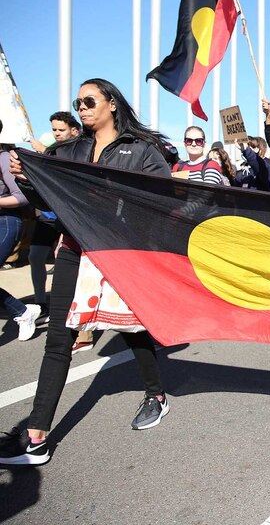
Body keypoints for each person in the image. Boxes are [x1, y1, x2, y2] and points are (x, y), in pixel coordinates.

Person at [0, 78, 174, 466]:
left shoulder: (141, 151)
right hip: (74, 250)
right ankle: (36, 437)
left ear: (111, 104)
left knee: (132, 331)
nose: (81, 107)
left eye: (89, 100)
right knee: (58, 341)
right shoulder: (70, 150)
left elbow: (164, 202)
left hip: (118, 255)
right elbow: (46, 202)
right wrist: (29, 179)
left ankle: (156, 395)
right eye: (77, 102)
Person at [29, 112, 81, 329]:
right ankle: (41, 302)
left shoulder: (80, 152)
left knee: (66, 264)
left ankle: (74, 314)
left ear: (74, 131)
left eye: (61, 130)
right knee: (35, 256)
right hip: (47, 217)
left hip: (67, 220)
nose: (57, 134)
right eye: (54, 130)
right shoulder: (50, 149)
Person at [0, 129, 41, 341]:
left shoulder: (5, 158)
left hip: (5, 223)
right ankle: (23, 312)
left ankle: (22, 313)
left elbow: (21, 197)